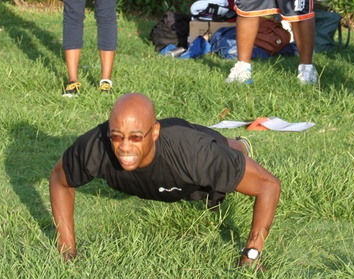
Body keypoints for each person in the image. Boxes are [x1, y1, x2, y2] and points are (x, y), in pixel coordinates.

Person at [49, 93, 281, 266]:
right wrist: (67, 250)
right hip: (172, 155)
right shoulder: (95, 146)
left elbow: (268, 186)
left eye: (136, 137)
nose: (125, 147)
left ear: (154, 132)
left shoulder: (195, 153)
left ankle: (240, 145)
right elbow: (59, 179)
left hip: (191, 149)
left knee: (223, 149)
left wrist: (252, 253)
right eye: (117, 137)